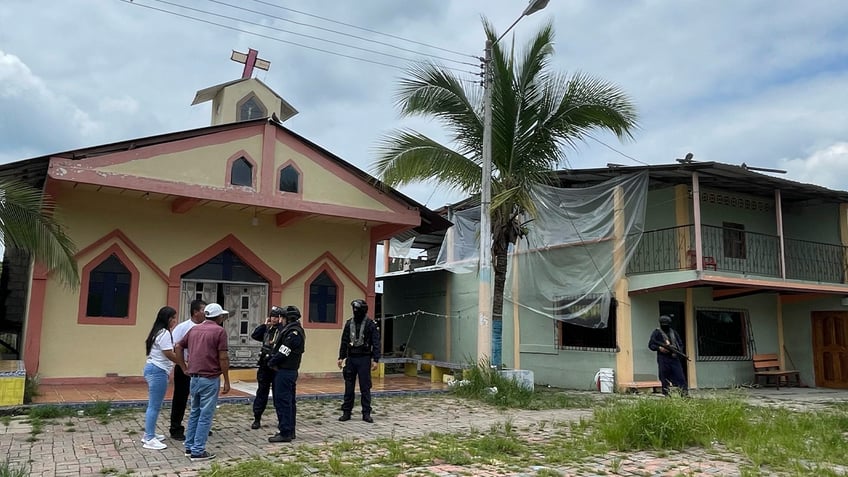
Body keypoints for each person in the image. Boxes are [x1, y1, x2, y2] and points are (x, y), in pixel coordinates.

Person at [174, 303, 231, 462]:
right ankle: (198, 450)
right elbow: (223, 357)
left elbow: (178, 346)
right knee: (205, 415)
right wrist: (226, 380)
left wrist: (183, 366)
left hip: (194, 377)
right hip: (210, 377)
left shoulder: (194, 329)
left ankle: (189, 446)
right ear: (219, 317)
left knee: (194, 413)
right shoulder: (219, 331)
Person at [141, 306, 179, 450]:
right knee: (154, 406)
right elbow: (169, 353)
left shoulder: (158, 331)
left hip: (154, 369)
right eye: (173, 318)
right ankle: (149, 438)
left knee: (154, 405)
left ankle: (149, 434)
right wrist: (183, 363)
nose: (174, 321)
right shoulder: (163, 333)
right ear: (166, 318)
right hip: (157, 371)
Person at [337, 299, 380, 423]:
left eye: (357, 309)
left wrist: (376, 359)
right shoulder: (349, 323)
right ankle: (346, 412)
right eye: (354, 309)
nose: (355, 312)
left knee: (365, 387)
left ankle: (366, 413)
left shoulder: (370, 324)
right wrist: (341, 357)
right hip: (351, 358)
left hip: (364, 358)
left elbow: (376, 342)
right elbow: (344, 341)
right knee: (348, 386)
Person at [168, 299, 206, 440]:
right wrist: (183, 365)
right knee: (180, 398)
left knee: (201, 398)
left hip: (202, 368)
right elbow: (176, 347)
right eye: (203, 310)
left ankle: (200, 426)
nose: (205, 313)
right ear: (195, 312)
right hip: (184, 366)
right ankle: (176, 428)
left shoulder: (206, 327)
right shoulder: (183, 327)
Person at [267, 305, 306, 443]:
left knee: (283, 402)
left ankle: (285, 432)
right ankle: (289, 429)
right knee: (288, 402)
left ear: (287, 318)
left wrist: (271, 362)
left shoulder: (293, 333)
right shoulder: (291, 330)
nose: (280, 320)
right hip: (286, 371)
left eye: (281, 317)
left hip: (285, 371)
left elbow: (284, 351)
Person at [249, 305, 285, 430]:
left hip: (277, 366)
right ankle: (257, 418)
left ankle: (281, 419)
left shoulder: (283, 330)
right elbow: (255, 335)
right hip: (265, 365)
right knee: (262, 392)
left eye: (276, 317)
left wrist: (280, 325)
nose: (274, 319)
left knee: (278, 394)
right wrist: (265, 325)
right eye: (272, 316)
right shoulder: (267, 329)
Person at [648, 315, 689, 396]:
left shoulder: (674, 332)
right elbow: (651, 345)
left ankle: (684, 394)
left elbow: (680, 344)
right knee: (664, 377)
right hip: (663, 358)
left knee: (680, 377)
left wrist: (677, 352)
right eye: (664, 324)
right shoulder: (656, 333)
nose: (665, 326)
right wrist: (659, 348)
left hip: (674, 358)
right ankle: (666, 394)